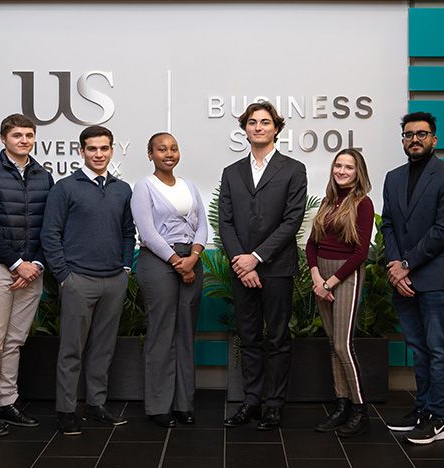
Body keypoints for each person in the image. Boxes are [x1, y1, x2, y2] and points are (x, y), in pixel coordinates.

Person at [219, 101, 307, 430]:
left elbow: (292, 220)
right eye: (252, 122)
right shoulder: (231, 172)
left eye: (265, 122)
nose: (258, 127)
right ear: (245, 129)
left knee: (279, 338)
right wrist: (242, 263)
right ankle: (251, 402)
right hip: (242, 269)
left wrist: (256, 258)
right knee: (249, 337)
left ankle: (274, 405)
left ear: (276, 128)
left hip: (277, 267)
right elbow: (225, 222)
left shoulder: (293, 169)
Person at [41, 125, 135, 435]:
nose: (98, 154)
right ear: (81, 151)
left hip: (113, 280)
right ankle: (67, 410)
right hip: (78, 279)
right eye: (92, 149)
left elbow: (126, 232)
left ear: (112, 150)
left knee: (103, 348)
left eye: (104, 148)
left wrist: (124, 268)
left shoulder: (122, 189)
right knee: (71, 349)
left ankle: (96, 405)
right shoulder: (65, 188)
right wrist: (64, 277)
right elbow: (50, 234)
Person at [381, 112, 444, 444]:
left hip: (436, 279)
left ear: (434, 139)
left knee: (438, 348)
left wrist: (406, 264)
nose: (414, 139)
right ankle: (422, 410)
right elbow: (388, 225)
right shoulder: (393, 177)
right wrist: (394, 265)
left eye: (422, 134)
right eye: (408, 134)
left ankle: (438, 418)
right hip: (403, 278)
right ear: (403, 139)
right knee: (418, 348)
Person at [0, 113, 54, 436]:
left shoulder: (43, 176)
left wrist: (35, 265)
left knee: (15, 341)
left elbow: (49, 226)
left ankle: (7, 402)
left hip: (32, 271)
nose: (24, 140)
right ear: (3, 138)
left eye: (29, 136)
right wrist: (17, 263)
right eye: (17, 135)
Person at [130, 133, 208, 428]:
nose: (169, 153)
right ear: (150, 154)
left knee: (185, 332)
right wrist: (178, 263)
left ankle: (183, 404)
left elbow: (203, 225)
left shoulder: (189, 186)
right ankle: (159, 406)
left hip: (192, 260)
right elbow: (147, 233)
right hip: (160, 262)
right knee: (162, 332)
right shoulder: (144, 187)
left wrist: (193, 258)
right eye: (161, 149)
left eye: (174, 148)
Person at [306, 149, 374, 438]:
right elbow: (312, 244)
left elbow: (361, 252)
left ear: (358, 172)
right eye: (338, 165)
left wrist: (330, 282)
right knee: (333, 343)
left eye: (349, 167)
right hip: (322, 276)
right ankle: (341, 404)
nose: (342, 171)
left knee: (344, 345)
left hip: (345, 276)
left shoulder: (363, 203)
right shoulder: (328, 201)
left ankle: (360, 410)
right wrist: (316, 277)